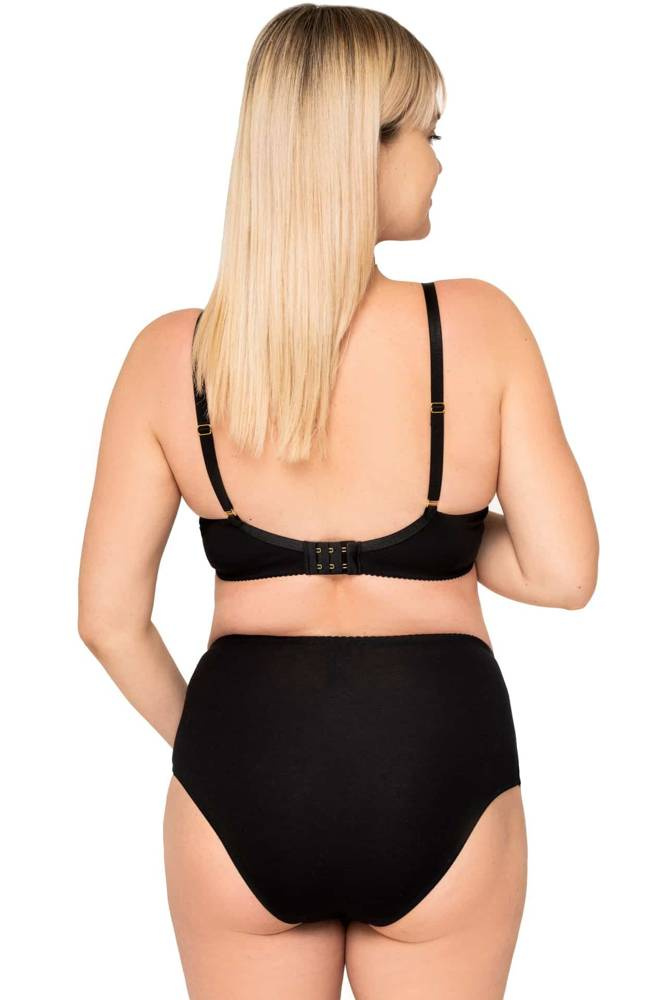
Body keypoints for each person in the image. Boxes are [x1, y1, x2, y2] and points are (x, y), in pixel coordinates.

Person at [78, 5, 598, 998]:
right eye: (426, 134)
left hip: (244, 767)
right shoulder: (476, 327)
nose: (438, 163)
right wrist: (440, 535)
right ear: (363, 147)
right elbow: (563, 573)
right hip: (436, 762)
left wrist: (220, 753)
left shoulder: (169, 358)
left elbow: (107, 620)